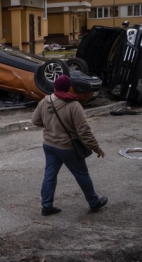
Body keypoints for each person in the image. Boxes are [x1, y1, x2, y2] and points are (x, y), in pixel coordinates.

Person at [31, 75, 107, 216]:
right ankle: (94, 202)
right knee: (82, 174)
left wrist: (49, 126)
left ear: (55, 87)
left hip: (49, 145)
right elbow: (83, 131)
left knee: (50, 176)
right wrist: (97, 148)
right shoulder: (73, 105)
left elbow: (35, 121)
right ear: (68, 87)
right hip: (67, 147)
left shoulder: (45, 101)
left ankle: (46, 206)